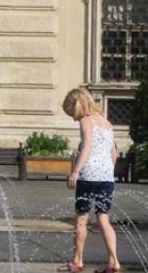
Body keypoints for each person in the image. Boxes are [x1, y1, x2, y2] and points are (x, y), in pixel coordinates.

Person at [60, 88, 121, 273]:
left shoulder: (87, 121)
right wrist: (107, 171)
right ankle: (114, 262)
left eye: (72, 112)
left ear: (78, 105)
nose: (73, 118)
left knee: (81, 220)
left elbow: (87, 147)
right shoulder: (107, 123)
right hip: (106, 178)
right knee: (103, 218)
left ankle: (77, 261)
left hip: (88, 177)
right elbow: (114, 153)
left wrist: (76, 171)